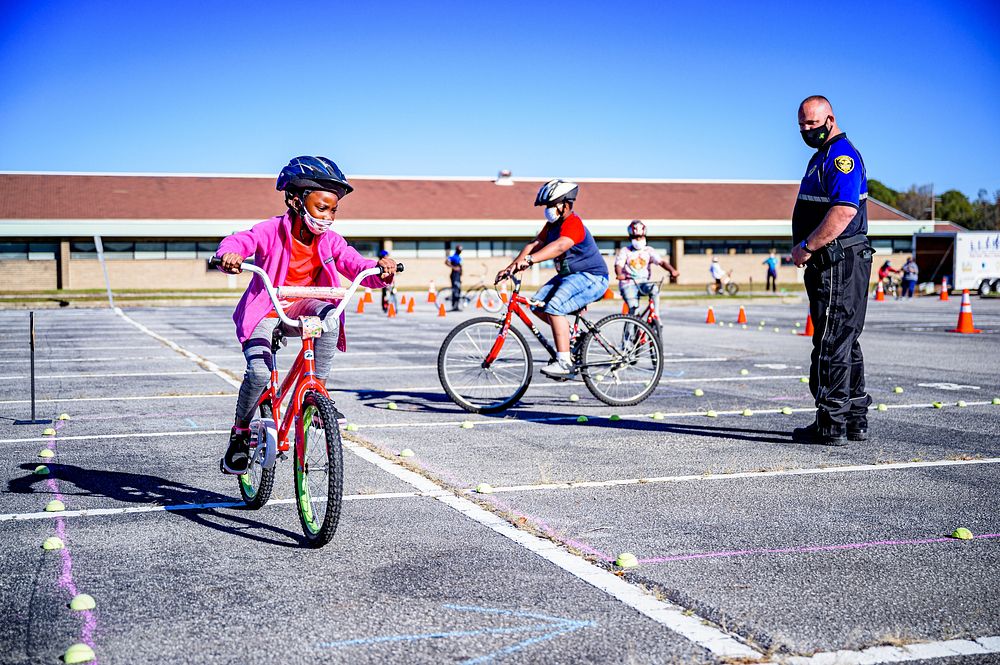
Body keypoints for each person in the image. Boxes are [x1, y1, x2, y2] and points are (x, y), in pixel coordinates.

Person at [214, 156, 398, 474]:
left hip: (304, 306)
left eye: (333, 209)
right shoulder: (271, 230)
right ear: (296, 201)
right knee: (258, 375)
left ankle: (316, 394)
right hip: (267, 309)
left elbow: (357, 266)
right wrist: (230, 253)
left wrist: (381, 270)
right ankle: (241, 434)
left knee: (329, 314)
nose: (328, 217)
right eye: (321, 207)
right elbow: (242, 240)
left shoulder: (331, 242)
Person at [790, 95, 874, 446]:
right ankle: (853, 418)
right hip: (835, 263)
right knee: (844, 341)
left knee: (831, 343)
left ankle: (831, 422)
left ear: (830, 118)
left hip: (837, 262)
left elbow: (844, 211)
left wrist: (807, 246)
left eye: (812, 123)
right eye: (801, 126)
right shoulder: (821, 157)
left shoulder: (840, 157)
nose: (806, 130)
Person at [497, 179, 609, 377]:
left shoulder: (573, 223)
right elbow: (535, 244)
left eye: (551, 205)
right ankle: (571, 338)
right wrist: (512, 267)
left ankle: (564, 363)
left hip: (591, 277)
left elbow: (560, 246)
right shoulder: (551, 225)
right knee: (537, 304)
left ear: (565, 205)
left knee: (554, 307)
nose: (548, 210)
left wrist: (530, 261)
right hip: (570, 277)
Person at [615, 220, 679, 315]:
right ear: (630, 238)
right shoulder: (625, 251)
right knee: (634, 312)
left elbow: (661, 262)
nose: (638, 239)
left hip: (644, 282)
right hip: (628, 284)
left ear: (644, 236)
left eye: (640, 237)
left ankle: (655, 316)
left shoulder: (649, 250)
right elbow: (618, 265)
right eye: (635, 237)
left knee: (654, 289)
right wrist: (619, 274)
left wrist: (672, 270)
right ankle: (631, 328)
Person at [378, 249, 399, 313]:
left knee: (394, 295)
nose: (387, 256)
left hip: (391, 283)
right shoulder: (381, 263)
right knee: (386, 296)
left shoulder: (389, 262)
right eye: (386, 255)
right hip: (385, 283)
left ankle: (395, 308)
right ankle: (386, 307)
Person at [445, 245, 464, 311]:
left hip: (458, 276)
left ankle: (456, 306)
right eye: (459, 250)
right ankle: (454, 306)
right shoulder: (454, 256)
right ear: (457, 250)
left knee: (458, 290)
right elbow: (446, 262)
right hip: (454, 275)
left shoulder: (459, 257)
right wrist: (454, 267)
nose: (460, 251)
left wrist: (461, 273)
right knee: (455, 290)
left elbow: (461, 267)